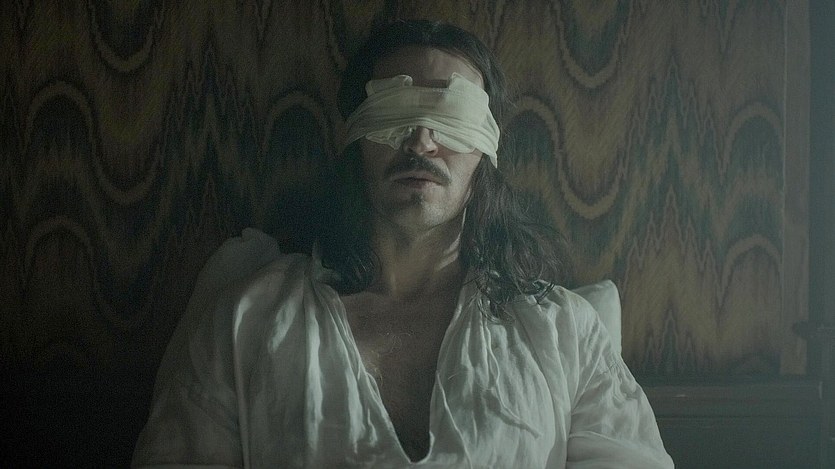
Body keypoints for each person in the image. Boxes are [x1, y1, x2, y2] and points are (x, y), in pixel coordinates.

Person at [132, 19, 674, 468]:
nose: (422, 140)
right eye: (395, 110)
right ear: (355, 137)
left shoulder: (564, 331)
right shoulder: (246, 322)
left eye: (451, 116)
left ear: (487, 149)